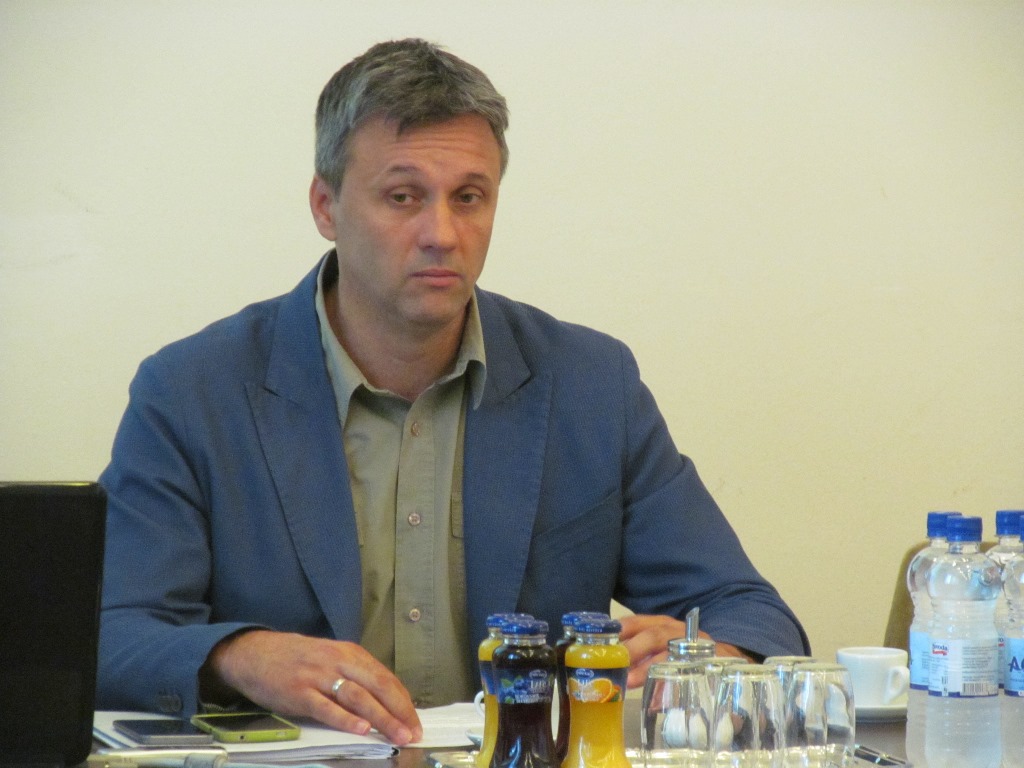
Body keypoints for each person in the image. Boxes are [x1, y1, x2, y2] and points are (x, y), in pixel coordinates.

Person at [97, 38, 809, 745]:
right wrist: (238, 655)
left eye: (469, 197)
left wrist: (708, 655)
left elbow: (752, 614)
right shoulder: (192, 392)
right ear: (325, 205)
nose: (441, 233)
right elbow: (108, 632)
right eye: (403, 197)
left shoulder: (592, 384)